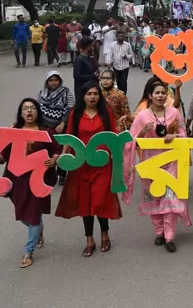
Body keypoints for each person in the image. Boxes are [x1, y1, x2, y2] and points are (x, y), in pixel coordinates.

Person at [55, 81, 121, 257]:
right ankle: (89, 239)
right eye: (89, 94)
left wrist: (118, 159)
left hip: (102, 163)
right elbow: (69, 138)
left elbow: (113, 135)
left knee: (100, 199)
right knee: (85, 202)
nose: (92, 97)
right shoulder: (75, 114)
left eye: (95, 94)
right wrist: (63, 156)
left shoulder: (105, 113)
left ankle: (105, 234)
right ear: (83, 96)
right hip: (81, 165)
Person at [125, 80, 190, 253]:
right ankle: (159, 231)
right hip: (150, 163)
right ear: (150, 96)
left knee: (170, 197)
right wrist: (143, 131)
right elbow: (132, 141)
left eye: (163, 93)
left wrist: (175, 136)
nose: (160, 96)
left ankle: (169, 236)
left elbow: (184, 134)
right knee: (155, 196)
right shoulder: (142, 116)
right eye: (157, 93)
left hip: (171, 162)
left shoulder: (175, 113)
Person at [0, 99, 61, 268]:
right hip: (17, 180)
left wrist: (53, 160)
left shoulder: (46, 131)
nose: (29, 111)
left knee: (33, 215)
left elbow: (56, 150)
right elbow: (3, 155)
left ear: (37, 112)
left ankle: (28, 251)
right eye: (25, 108)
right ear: (21, 113)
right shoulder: (14, 132)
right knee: (22, 213)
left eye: (32, 108)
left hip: (38, 180)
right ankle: (38, 229)